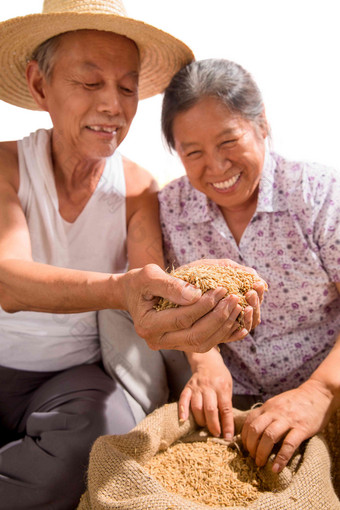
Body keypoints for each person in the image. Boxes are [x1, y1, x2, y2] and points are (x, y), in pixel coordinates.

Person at [0, 2, 265, 508]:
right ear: (39, 86)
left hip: (67, 376)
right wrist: (119, 288)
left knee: (103, 443)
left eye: (127, 87)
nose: (113, 106)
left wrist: (205, 354)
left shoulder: (138, 188)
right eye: (89, 82)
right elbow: (9, 282)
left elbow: (157, 294)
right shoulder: (6, 165)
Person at [159, 58, 340, 475]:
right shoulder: (170, 209)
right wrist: (204, 361)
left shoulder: (317, 194)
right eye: (193, 152)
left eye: (229, 141)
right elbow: (165, 297)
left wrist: (319, 393)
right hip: (233, 405)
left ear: (262, 126)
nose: (217, 167)